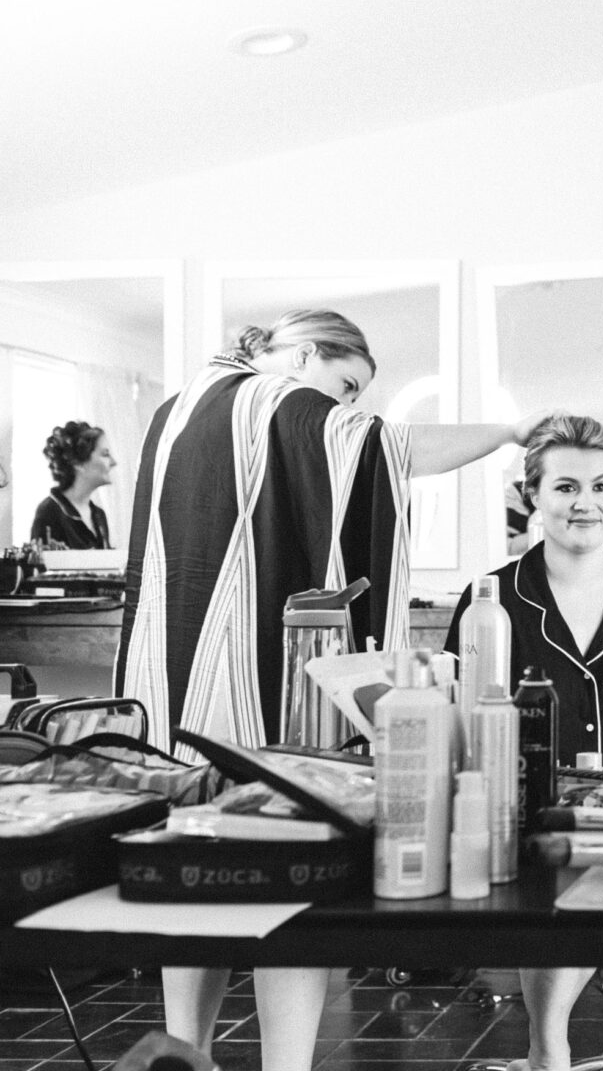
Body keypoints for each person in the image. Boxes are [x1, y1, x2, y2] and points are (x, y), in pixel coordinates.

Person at [115, 308, 550, 1071]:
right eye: (346, 386)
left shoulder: (174, 412)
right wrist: (515, 433)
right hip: (260, 703)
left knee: (192, 882)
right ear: (305, 352)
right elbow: (395, 450)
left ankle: (184, 1054)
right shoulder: (277, 402)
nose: (346, 408)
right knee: (290, 892)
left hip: (174, 697)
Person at [446, 413, 603, 1071]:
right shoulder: (489, 603)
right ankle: (545, 1049)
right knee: (551, 1023)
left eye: (601, 485)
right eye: (564, 487)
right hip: (535, 824)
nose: (585, 502)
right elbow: (466, 735)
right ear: (532, 496)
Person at [31, 420, 115, 548]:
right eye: (105, 454)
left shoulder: (98, 515)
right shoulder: (49, 513)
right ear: (78, 463)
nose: (113, 462)